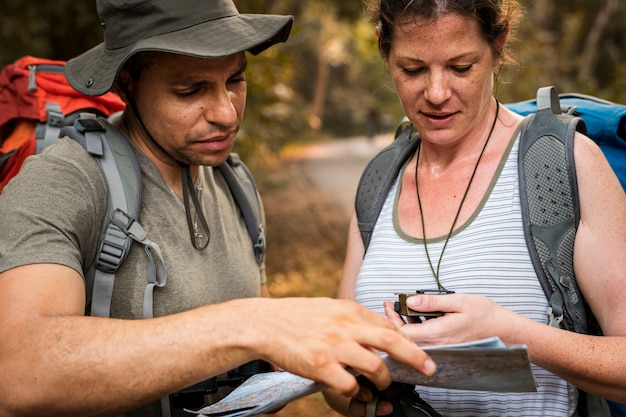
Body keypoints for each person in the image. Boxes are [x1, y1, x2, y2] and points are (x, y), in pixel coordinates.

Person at [0, 1, 437, 416]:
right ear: (127, 83)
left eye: (236, 80)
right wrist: (252, 325)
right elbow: (18, 375)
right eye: (191, 90)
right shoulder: (63, 182)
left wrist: (317, 360)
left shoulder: (234, 181)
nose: (226, 114)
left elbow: (260, 337)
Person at [324, 0, 626, 416]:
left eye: (461, 67)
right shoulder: (380, 177)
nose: (435, 93)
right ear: (383, 48)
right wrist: (360, 390)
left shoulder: (566, 162)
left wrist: (510, 333)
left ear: (498, 45)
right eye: (412, 69)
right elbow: (340, 386)